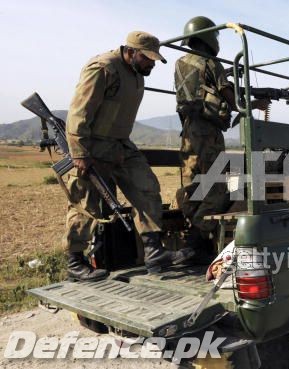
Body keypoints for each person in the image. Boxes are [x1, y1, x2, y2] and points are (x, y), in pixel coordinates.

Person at [65, 31, 195, 281]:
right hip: (92, 146)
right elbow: (78, 112)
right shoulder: (103, 68)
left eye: (154, 60)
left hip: (120, 144)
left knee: (146, 188)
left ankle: (154, 251)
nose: (151, 64)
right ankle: (75, 261)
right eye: (147, 58)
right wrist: (79, 152)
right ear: (131, 51)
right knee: (85, 204)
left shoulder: (136, 73)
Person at [174, 16, 268, 253]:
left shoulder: (180, 62)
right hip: (208, 131)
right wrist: (254, 103)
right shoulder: (210, 63)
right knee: (216, 186)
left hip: (187, 129)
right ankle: (196, 237)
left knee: (194, 184)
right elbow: (232, 100)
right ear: (208, 37)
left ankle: (191, 236)